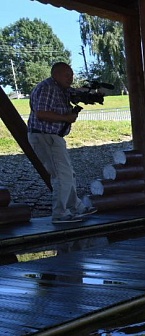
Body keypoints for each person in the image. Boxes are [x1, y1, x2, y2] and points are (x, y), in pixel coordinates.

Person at [28, 62, 96, 224]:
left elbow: (77, 93)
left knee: (67, 173)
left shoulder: (61, 88)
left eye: (72, 75)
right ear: (55, 74)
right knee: (61, 175)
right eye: (67, 75)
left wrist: (92, 92)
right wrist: (66, 118)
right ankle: (60, 213)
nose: (70, 78)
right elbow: (41, 113)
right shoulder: (47, 88)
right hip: (45, 136)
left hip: (52, 137)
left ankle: (75, 207)